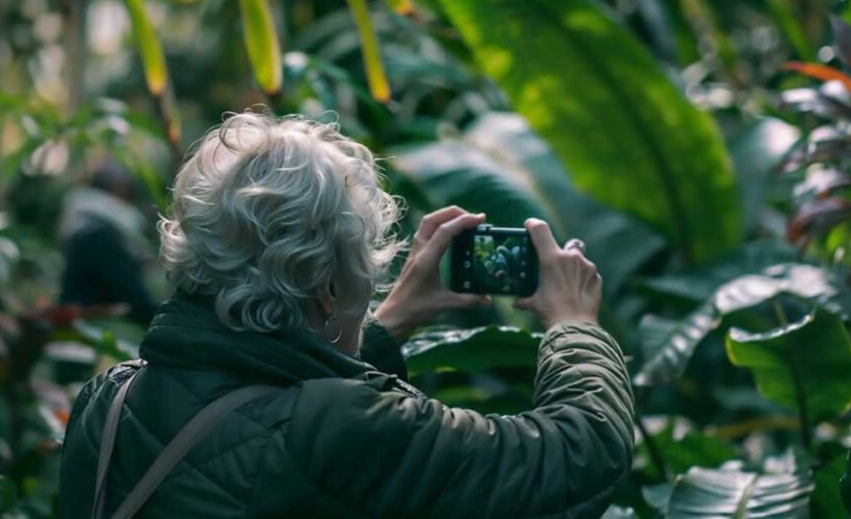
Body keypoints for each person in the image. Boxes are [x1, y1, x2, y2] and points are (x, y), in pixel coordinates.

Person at [59, 112, 634, 518]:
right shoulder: (344, 427)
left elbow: (258, 404)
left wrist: (387, 323)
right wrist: (574, 322)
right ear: (330, 289)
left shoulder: (107, 402)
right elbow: (575, 456)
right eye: (367, 269)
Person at [58, 160, 158, 324]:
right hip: (92, 331)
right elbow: (134, 298)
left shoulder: (86, 225)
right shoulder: (101, 235)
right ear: (121, 191)